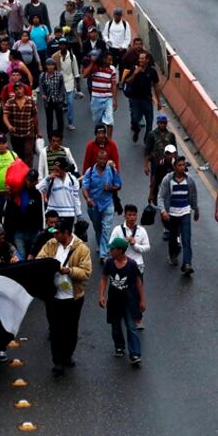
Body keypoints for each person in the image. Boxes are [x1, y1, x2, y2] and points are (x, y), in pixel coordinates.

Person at [37, 219, 92, 376]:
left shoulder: (81, 249)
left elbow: (86, 272)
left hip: (73, 297)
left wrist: (69, 271)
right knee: (55, 330)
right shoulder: (51, 245)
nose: (55, 235)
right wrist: (50, 265)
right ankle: (58, 361)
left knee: (70, 329)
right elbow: (39, 260)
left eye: (58, 232)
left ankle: (68, 354)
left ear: (67, 233)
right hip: (53, 296)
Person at [99, 237, 144, 365]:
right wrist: (101, 295)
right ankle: (119, 346)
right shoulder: (109, 263)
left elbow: (138, 281)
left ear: (120, 250)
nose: (110, 251)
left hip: (129, 301)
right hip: (114, 301)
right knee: (115, 326)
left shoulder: (131, 264)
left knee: (131, 327)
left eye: (112, 249)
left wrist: (142, 300)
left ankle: (135, 353)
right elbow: (103, 278)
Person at [159, 155, 199, 275]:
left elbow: (193, 196)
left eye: (183, 165)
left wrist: (196, 209)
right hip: (172, 214)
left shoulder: (189, 180)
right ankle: (172, 255)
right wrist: (163, 211)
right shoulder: (168, 179)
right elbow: (161, 196)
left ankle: (187, 264)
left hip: (185, 212)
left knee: (186, 239)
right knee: (172, 238)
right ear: (174, 166)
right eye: (179, 165)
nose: (182, 167)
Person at [82, 149, 123, 261]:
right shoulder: (90, 172)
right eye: (100, 159)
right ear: (97, 159)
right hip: (94, 205)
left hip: (108, 204)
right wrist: (88, 199)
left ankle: (104, 254)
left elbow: (119, 185)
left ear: (107, 159)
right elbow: (85, 187)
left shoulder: (112, 170)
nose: (102, 161)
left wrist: (110, 188)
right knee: (97, 227)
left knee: (106, 228)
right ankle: (100, 245)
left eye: (104, 159)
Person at [120, 51, 160, 143]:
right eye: (139, 58)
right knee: (135, 120)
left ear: (147, 60)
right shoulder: (134, 68)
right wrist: (135, 73)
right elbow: (127, 81)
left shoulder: (152, 71)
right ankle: (136, 130)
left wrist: (158, 101)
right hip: (135, 100)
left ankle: (147, 140)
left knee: (149, 122)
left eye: (142, 58)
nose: (140, 60)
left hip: (147, 100)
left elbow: (156, 86)